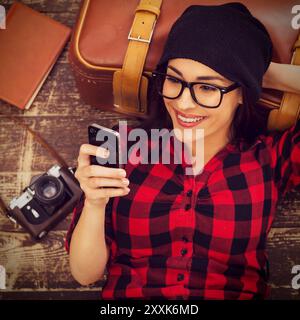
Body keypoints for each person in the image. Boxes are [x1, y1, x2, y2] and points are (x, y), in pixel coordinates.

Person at [65, 3, 300, 300]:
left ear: (242, 93)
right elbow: (84, 275)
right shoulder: (126, 151)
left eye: (207, 88)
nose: (184, 103)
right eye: (175, 80)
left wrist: (261, 72)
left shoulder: (271, 159)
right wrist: (94, 204)